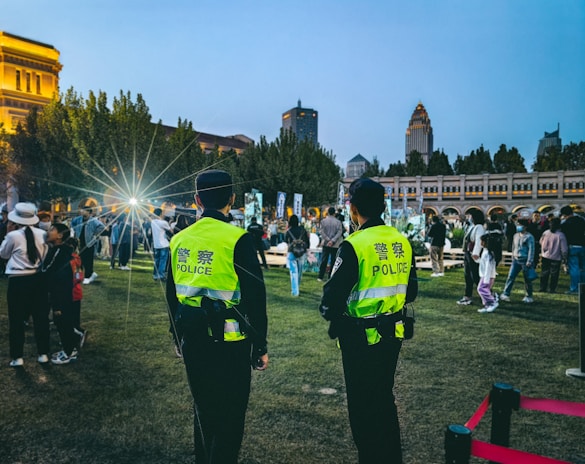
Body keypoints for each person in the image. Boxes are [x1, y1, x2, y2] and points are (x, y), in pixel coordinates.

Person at [166, 169, 268, 463]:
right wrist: (260, 346)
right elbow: (255, 297)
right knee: (231, 416)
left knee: (204, 412)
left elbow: (171, 296)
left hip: (193, 339)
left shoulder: (180, 240)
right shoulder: (239, 239)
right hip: (231, 342)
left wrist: (177, 336)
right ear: (232, 199)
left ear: (197, 200)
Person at [319, 178, 418, 464]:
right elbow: (411, 291)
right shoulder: (401, 240)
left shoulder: (355, 245)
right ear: (383, 206)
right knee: (384, 402)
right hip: (393, 334)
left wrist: (336, 317)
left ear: (352, 208)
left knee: (363, 412)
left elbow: (331, 299)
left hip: (360, 340)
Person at [0, 203, 49, 367]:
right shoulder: (43, 234)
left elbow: (3, 254)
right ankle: (43, 354)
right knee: (40, 317)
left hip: (18, 280)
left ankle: (17, 357)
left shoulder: (13, 236)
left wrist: (8, 234)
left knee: (16, 319)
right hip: (37, 279)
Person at [42, 223, 84, 364]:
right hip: (63, 293)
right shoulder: (62, 250)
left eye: (52, 229)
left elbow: (47, 270)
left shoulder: (60, 251)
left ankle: (69, 352)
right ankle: (70, 345)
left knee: (62, 321)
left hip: (62, 294)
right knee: (62, 322)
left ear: (60, 235)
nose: (48, 231)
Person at [500, 218, 536, 303]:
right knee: (510, 277)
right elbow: (513, 247)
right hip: (516, 259)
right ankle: (506, 293)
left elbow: (531, 249)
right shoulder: (515, 235)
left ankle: (529, 296)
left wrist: (529, 261)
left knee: (527, 279)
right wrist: (513, 256)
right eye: (517, 224)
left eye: (520, 225)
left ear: (525, 227)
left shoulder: (529, 237)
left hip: (525, 260)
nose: (518, 226)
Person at [457, 210, 485, 306]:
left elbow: (479, 241)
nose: (469, 218)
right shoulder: (472, 227)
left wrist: (476, 253)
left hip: (473, 254)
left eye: (471, 216)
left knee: (475, 276)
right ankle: (467, 296)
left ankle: (488, 295)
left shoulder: (479, 227)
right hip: (468, 253)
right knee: (467, 275)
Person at [71, 207, 105, 284]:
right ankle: (82, 276)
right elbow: (72, 224)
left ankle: (88, 276)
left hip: (89, 243)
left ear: (89, 213)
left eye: (84, 211)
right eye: (82, 210)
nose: (82, 212)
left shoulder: (93, 220)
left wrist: (95, 233)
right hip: (79, 243)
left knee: (88, 261)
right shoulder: (78, 219)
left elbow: (102, 227)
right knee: (79, 261)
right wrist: (75, 230)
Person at [560, 205, 585, 295]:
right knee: (583, 268)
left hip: (572, 246)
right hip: (582, 246)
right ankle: (583, 287)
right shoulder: (581, 220)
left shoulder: (565, 224)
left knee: (574, 268)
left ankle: (574, 288)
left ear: (564, 215)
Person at [539, 217, 568, 294]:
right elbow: (564, 249)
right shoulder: (561, 235)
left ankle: (542, 287)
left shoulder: (546, 233)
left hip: (545, 255)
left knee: (544, 272)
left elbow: (540, 242)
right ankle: (552, 289)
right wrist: (564, 257)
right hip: (556, 257)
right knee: (554, 274)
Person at [317, 206, 343, 281]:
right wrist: (333, 240)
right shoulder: (338, 222)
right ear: (334, 213)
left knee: (324, 260)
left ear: (328, 212)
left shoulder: (323, 221)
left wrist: (328, 240)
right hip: (335, 244)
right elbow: (339, 232)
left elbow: (321, 232)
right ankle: (330, 276)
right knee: (333, 261)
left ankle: (320, 276)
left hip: (325, 243)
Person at [286, 215, 309, 297]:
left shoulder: (289, 231)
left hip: (292, 252)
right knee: (299, 271)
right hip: (302, 252)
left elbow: (286, 241)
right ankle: (297, 287)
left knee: (293, 272)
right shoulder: (303, 230)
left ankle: (295, 291)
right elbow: (307, 241)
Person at [477, 233, 499, 313]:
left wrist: (486, 279)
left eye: (482, 241)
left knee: (481, 289)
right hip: (484, 275)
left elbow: (488, 267)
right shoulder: (485, 251)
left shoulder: (489, 254)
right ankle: (487, 305)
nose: (480, 243)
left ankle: (492, 302)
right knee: (485, 290)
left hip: (488, 276)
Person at [150, 208, 172, 281]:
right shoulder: (163, 223)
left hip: (156, 244)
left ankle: (155, 275)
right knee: (163, 261)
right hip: (164, 244)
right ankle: (161, 275)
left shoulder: (153, 222)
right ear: (161, 213)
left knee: (157, 260)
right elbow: (171, 231)